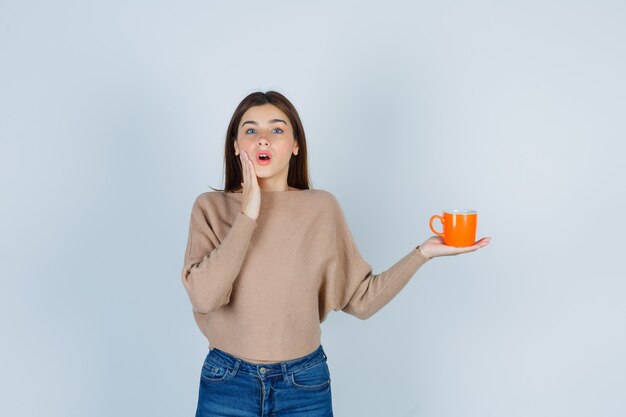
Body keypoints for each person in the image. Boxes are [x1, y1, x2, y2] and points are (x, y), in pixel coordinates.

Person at [181, 91, 491, 417]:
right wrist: (248, 216)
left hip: (302, 385)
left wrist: (422, 253)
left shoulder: (321, 208)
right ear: (235, 146)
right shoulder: (210, 208)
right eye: (250, 130)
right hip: (227, 381)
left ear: (296, 144)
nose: (263, 140)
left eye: (276, 129)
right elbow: (204, 298)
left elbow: (361, 300)